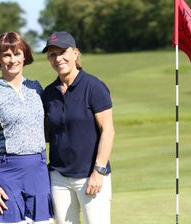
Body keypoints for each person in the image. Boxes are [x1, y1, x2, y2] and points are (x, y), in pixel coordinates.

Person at [0, 31, 53, 224]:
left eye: (17, 54)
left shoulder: (36, 88)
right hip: (7, 171)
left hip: (38, 169)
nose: (12, 60)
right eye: (7, 55)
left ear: (24, 56)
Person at [41, 31, 115, 224]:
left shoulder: (94, 86)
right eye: (52, 54)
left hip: (90, 175)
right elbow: (47, 133)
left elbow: (108, 130)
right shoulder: (48, 93)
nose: (58, 58)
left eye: (63, 52)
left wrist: (99, 172)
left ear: (75, 53)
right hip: (58, 178)